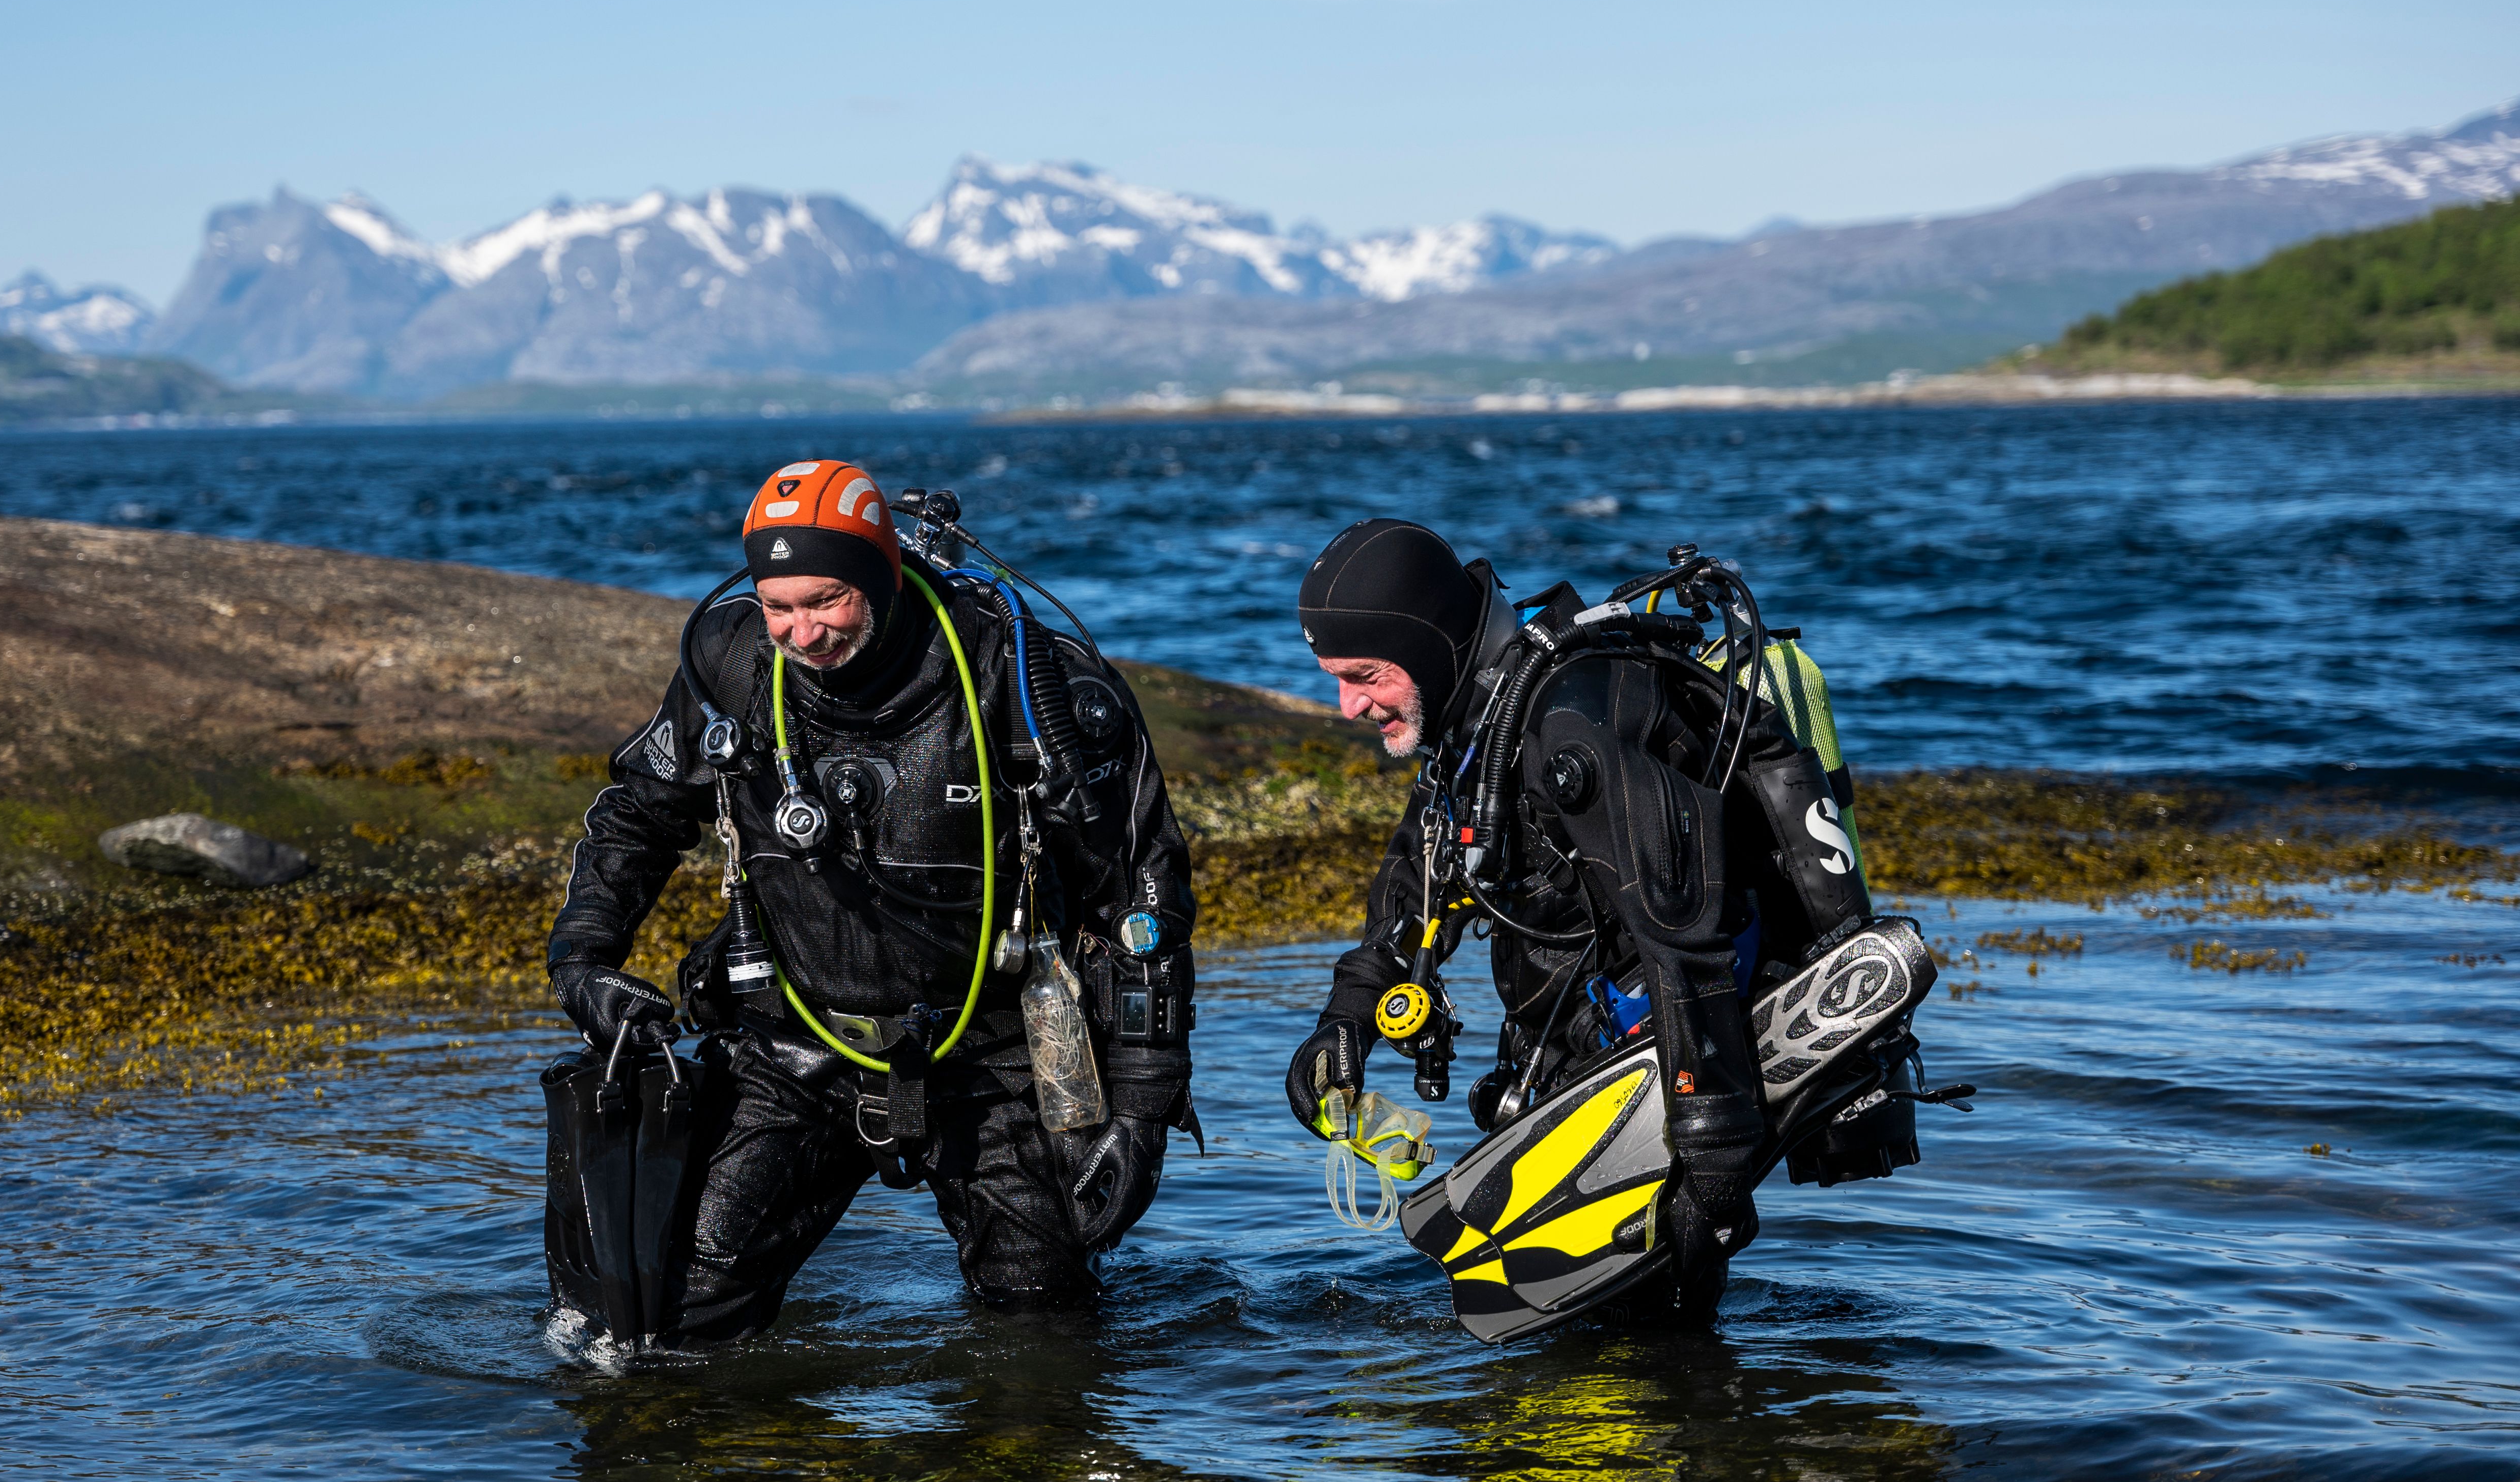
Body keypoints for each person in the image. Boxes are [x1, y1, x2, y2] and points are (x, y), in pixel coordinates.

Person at [547, 459, 1200, 1344]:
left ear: (883, 574)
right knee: (672, 1322)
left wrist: (1143, 1112)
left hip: (992, 1058)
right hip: (796, 1045)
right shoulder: (730, 663)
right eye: (780, 606)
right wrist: (584, 960)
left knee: (1042, 1343)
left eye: (826, 602)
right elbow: (639, 814)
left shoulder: (1022, 676)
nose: (802, 633)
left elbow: (1141, 900)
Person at [1280, 518, 1904, 1327]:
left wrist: (1713, 1157)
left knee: (1650, 1359)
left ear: (1432, 644)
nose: (1347, 705)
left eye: (1365, 675)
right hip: (1593, 1080)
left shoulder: (1570, 721)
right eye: (1334, 677)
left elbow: (1685, 939)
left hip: (1681, 1081)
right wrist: (1349, 1018)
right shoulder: (1476, 733)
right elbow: (1419, 875)